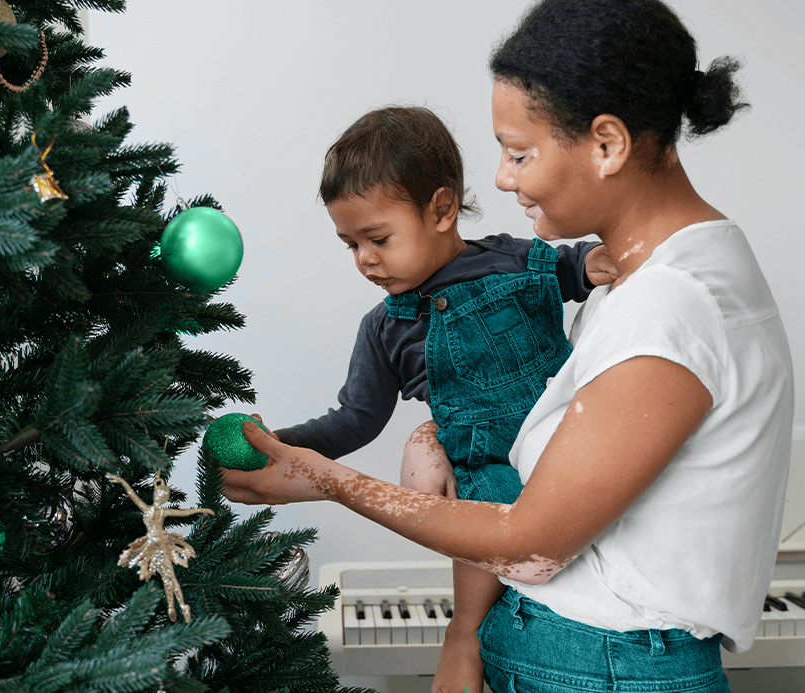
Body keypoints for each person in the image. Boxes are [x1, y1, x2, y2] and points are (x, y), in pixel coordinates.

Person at [223, 0, 795, 691]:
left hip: (602, 663)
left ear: (607, 144)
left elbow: (532, 540)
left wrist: (323, 479)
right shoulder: (661, 270)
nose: (498, 178)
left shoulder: (671, 302)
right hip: (572, 646)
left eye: (520, 152)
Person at [269, 104, 616, 693]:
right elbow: (355, 419)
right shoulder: (385, 328)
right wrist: (281, 444)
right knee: (487, 497)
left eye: (378, 238)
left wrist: (607, 260)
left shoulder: (516, 261)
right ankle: (466, 631)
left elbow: (578, 264)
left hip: (567, 444)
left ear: (442, 208)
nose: (365, 260)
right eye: (349, 245)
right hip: (484, 468)